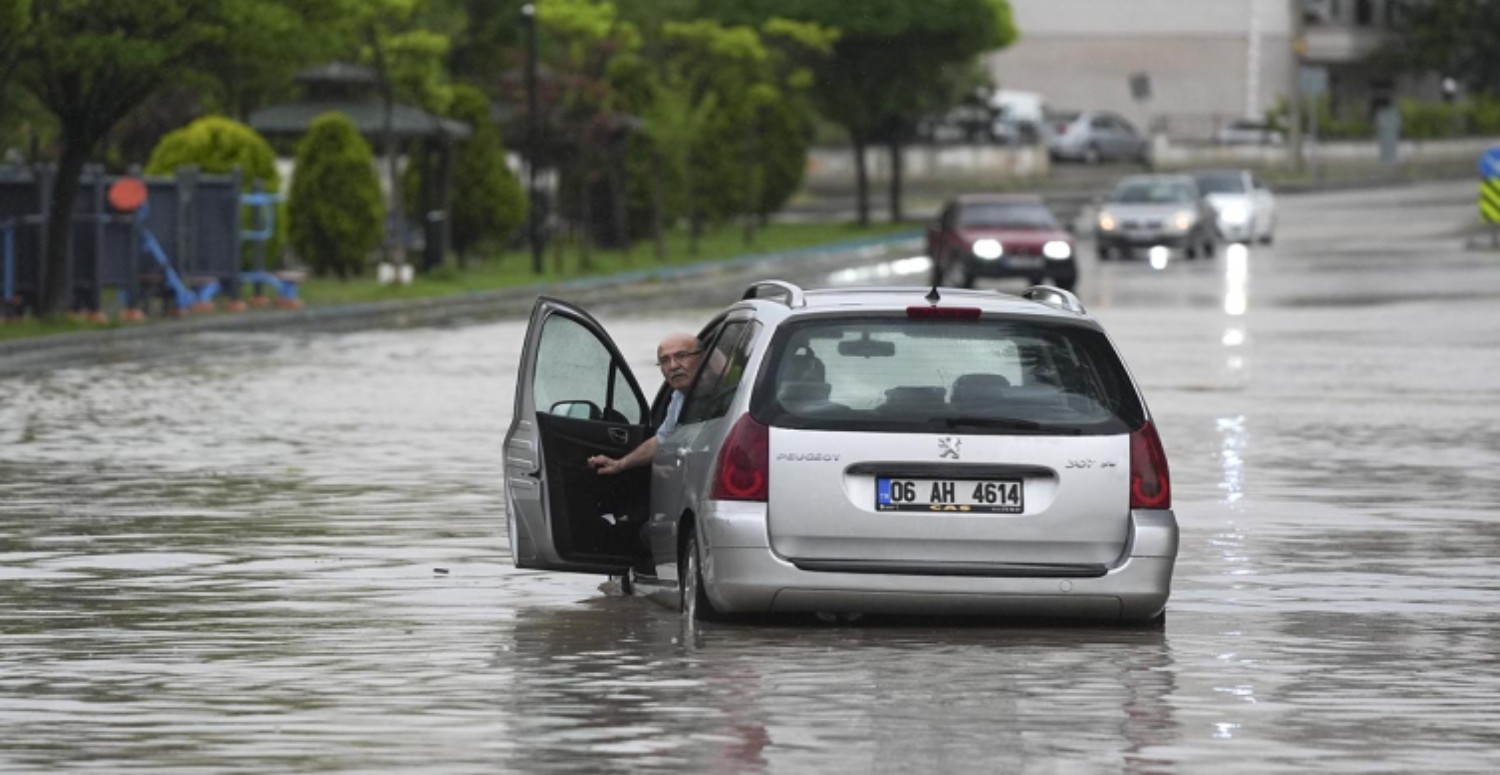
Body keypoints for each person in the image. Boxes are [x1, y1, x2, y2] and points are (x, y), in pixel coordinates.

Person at [587, 331, 703, 475]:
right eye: (665, 360)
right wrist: (620, 464)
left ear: (703, 358)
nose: (673, 366)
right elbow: (660, 440)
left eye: (681, 356)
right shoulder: (679, 396)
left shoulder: (728, 392)